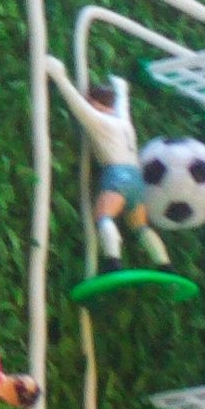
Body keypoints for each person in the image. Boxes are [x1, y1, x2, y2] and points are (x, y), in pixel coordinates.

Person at [68, 75, 169, 275]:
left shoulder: (101, 121)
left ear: (95, 103)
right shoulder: (123, 123)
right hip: (136, 179)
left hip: (116, 174)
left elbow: (77, 105)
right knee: (140, 225)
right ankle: (165, 264)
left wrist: (59, 76)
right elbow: (123, 105)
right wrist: (121, 88)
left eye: (91, 102)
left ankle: (113, 261)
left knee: (104, 215)